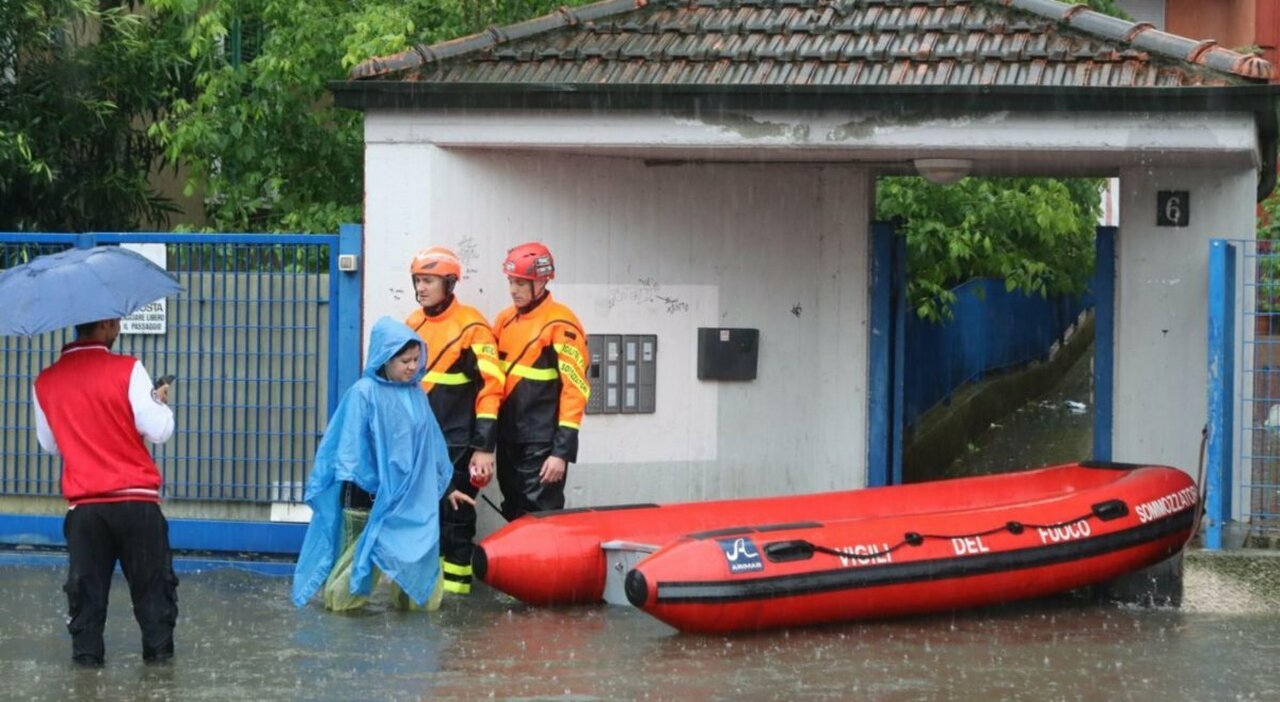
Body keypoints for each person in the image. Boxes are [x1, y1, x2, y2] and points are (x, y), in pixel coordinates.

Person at [291, 316, 474, 611]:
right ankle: (340, 624)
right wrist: (377, 491)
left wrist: (447, 486)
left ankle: (415, 625)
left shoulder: (417, 395)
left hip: (410, 503)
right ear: (384, 359)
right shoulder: (363, 393)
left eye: (416, 359)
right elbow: (349, 453)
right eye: (405, 360)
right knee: (355, 567)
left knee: (418, 562)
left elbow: (431, 449)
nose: (413, 367)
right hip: (367, 501)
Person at [32, 318, 178, 666]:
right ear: (107, 324)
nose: (118, 329)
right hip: (136, 506)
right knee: (155, 607)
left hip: (85, 512)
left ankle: (86, 681)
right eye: (115, 323)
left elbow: (48, 443)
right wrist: (158, 403)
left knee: (86, 612)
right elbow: (158, 431)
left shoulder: (45, 381)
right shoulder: (129, 369)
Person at [405, 246, 503, 596]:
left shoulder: (472, 327)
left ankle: (456, 600)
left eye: (428, 280)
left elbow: (492, 390)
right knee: (421, 519)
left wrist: (484, 448)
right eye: (417, 280)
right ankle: (426, 594)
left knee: (455, 522)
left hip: (459, 446)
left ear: (449, 283)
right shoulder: (412, 324)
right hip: (421, 445)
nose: (421, 288)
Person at [492, 242, 590, 520]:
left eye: (522, 283)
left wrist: (561, 453)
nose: (513, 290)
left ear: (542, 281)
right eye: (511, 282)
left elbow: (576, 390)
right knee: (512, 511)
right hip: (508, 437)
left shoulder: (562, 324)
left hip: (542, 443)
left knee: (540, 518)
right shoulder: (504, 320)